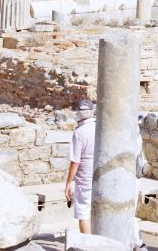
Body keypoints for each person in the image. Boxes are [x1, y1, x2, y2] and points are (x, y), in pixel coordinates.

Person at [64, 99, 96, 233]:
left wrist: (68, 183)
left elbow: (75, 161)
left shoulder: (79, 132)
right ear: (92, 112)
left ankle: (88, 245)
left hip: (85, 179)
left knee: (84, 212)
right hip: (100, 176)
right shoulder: (100, 127)